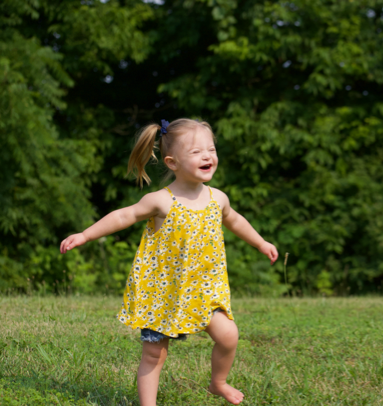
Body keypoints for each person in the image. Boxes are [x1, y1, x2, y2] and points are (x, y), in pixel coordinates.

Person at [60, 118, 278, 406]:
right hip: (163, 292)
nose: (207, 156)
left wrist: (261, 242)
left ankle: (218, 382)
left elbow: (235, 220)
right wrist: (85, 235)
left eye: (211, 149)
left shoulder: (218, 199)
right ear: (172, 162)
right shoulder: (162, 201)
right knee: (154, 354)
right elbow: (124, 215)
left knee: (229, 336)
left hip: (205, 288)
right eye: (197, 152)